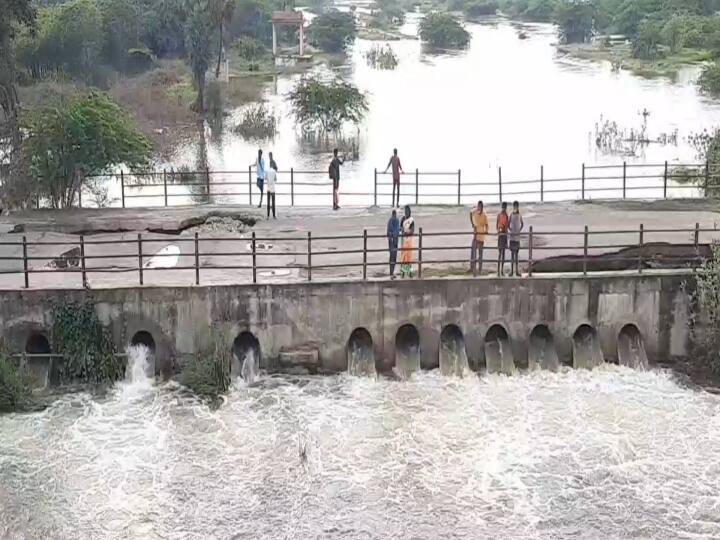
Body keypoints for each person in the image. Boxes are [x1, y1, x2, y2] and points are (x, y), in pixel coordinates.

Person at [469, 200, 488, 275]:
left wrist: (486, 230)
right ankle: (472, 267)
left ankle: (479, 269)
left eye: (480, 206)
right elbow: (470, 213)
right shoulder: (475, 212)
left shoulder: (484, 215)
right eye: (478, 206)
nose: (479, 207)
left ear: (482, 207)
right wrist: (472, 224)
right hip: (475, 234)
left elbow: (486, 224)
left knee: (480, 254)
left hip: (481, 235)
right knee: (473, 251)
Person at [509, 200, 524, 277]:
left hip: (517, 238)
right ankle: (512, 271)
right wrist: (511, 230)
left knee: (516, 256)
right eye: (514, 206)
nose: (515, 207)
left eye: (516, 206)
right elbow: (508, 224)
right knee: (512, 255)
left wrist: (519, 230)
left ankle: (517, 271)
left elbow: (522, 223)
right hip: (512, 237)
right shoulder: (511, 214)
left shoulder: (519, 215)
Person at [399, 205, 415, 278]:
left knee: (409, 256)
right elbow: (400, 227)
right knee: (403, 256)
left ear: (409, 212)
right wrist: (403, 230)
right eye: (405, 211)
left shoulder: (411, 220)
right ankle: (402, 272)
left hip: (409, 240)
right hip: (403, 239)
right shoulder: (402, 219)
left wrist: (406, 231)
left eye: (407, 211)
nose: (406, 212)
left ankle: (409, 272)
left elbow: (412, 231)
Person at [496, 202, 509, 276]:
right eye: (503, 207)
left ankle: (501, 270)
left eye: (505, 207)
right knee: (500, 253)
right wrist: (499, 230)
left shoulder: (505, 216)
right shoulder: (500, 215)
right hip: (501, 235)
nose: (504, 208)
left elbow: (506, 227)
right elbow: (497, 225)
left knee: (502, 254)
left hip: (503, 235)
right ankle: (499, 270)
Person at [387, 209, 400, 278]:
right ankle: (391, 272)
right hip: (394, 241)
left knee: (392, 257)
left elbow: (389, 232)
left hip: (393, 241)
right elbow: (395, 231)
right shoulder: (394, 220)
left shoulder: (392, 220)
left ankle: (391, 272)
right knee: (393, 257)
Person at [266, 153, 277, 219]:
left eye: (269, 156)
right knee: (272, 201)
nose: (269, 157)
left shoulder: (272, 161)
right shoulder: (271, 161)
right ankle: (273, 215)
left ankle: (268, 216)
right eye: (269, 156)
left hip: (269, 187)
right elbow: (275, 179)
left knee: (269, 201)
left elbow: (266, 178)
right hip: (272, 187)